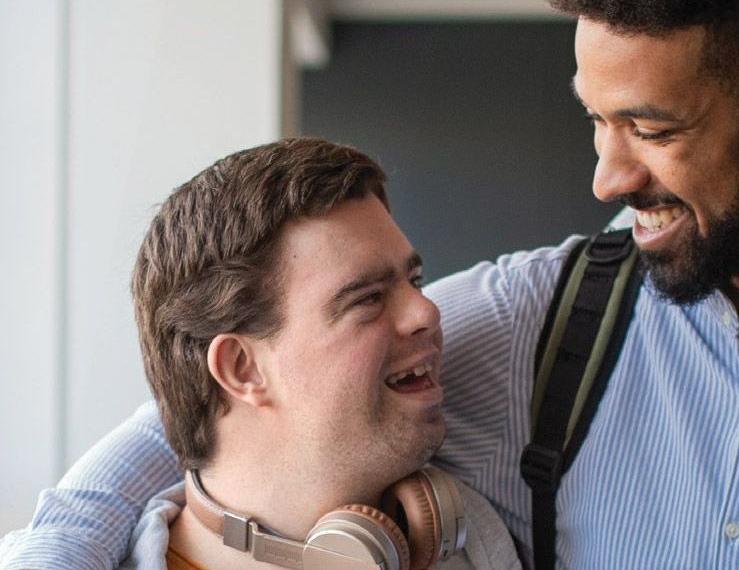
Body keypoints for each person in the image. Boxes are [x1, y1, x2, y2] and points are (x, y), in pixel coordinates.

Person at [3, 0, 739, 570]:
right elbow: (196, 416)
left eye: (651, 121)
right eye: (369, 293)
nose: (422, 312)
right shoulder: (512, 332)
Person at [0, 139, 522, 570]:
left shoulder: (474, 543)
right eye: (366, 298)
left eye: (415, 280)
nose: (427, 311)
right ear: (242, 369)